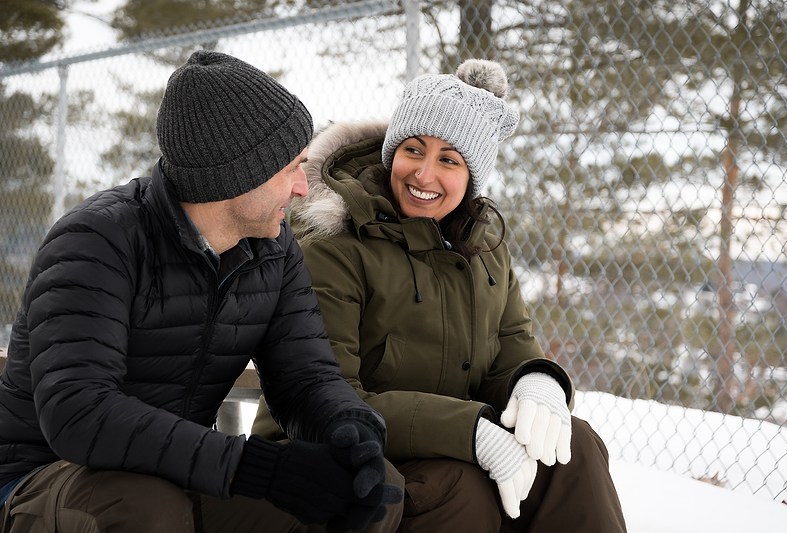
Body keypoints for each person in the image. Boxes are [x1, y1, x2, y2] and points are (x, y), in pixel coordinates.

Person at [0, 50, 403, 533]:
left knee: (368, 493)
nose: (302, 187)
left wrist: (350, 430)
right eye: (292, 167)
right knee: (144, 507)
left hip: (177, 471)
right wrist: (258, 469)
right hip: (44, 479)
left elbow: (305, 378)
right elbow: (79, 412)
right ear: (237, 174)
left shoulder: (273, 250)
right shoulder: (96, 240)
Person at [251, 59, 628, 532]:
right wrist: (470, 432)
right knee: (458, 484)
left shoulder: (484, 249)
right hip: (331, 451)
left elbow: (510, 347)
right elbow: (327, 400)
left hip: (439, 447)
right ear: (392, 153)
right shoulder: (335, 251)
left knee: (576, 449)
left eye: (449, 159)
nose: (424, 175)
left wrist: (537, 383)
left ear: (473, 175)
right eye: (413, 149)